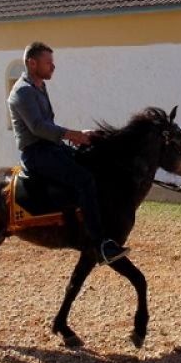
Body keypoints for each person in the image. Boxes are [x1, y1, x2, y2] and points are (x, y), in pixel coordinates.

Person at [7, 42, 129, 265]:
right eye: (48, 63)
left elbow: (48, 123)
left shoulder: (39, 86)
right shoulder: (22, 92)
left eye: (53, 63)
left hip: (50, 147)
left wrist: (81, 137)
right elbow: (38, 127)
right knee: (84, 180)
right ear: (31, 63)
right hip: (36, 153)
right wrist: (73, 134)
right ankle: (100, 243)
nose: (53, 67)